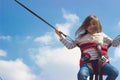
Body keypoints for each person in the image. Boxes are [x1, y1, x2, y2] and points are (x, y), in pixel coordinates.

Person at [55, 15, 119, 80]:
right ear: (85, 27)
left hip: (101, 61)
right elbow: (70, 46)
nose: (91, 26)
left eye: (94, 24)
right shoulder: (81, 38)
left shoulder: (102, 35)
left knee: (114, 72)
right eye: (89, 25)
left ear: (98, 25)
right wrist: (60, 36)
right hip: (87, 63)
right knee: (81, 74)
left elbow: (114, 43)